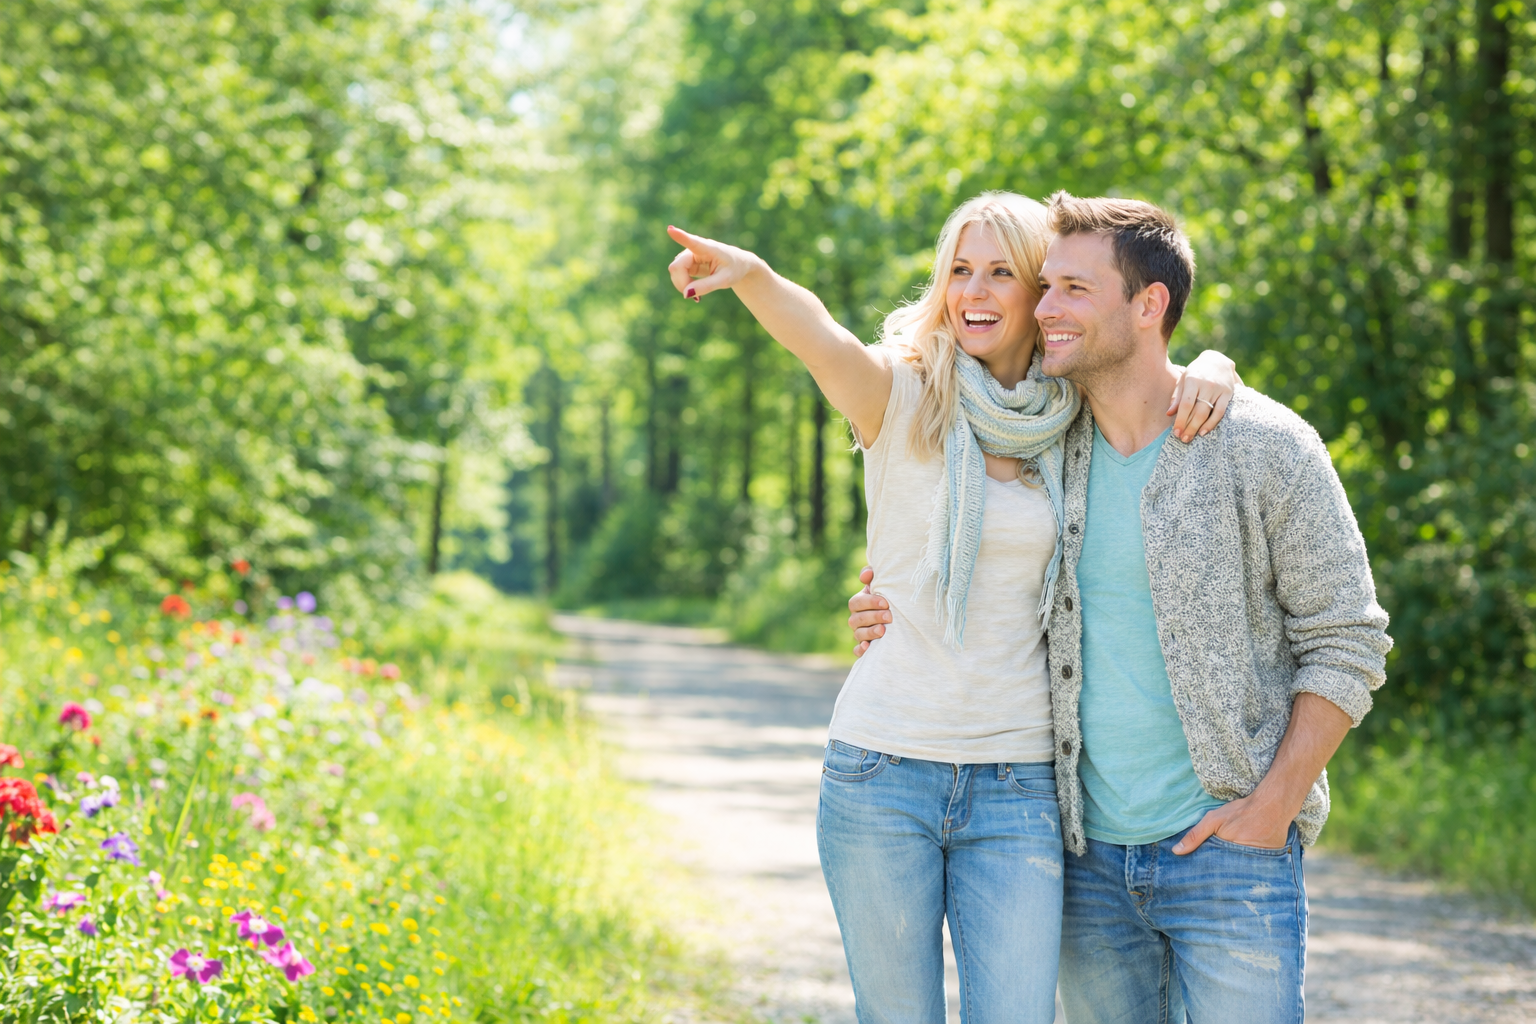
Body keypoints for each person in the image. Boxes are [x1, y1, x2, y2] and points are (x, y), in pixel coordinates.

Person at [665, 192, 1241, 1024]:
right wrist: (751, 275)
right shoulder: (900, 398)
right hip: (881, 771)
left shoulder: (1069, 416)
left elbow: (1148, 369)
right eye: (960, 270)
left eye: (1003, 272)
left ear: (1041, 292)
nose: (975, 289)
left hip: (1020, 785)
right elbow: (818, 335)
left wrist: (1217, 363)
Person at [847, 192, 1393, 1023]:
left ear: (1149, 305)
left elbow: (1348, 639)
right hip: (1083, 864)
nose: (1043, 306)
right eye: (1046, 285)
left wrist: (1274, 803)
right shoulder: (1043, 444)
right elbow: (941, 529)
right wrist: (880, 603)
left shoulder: (1263, 446)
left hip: (1229, 855)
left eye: (1071, 289)